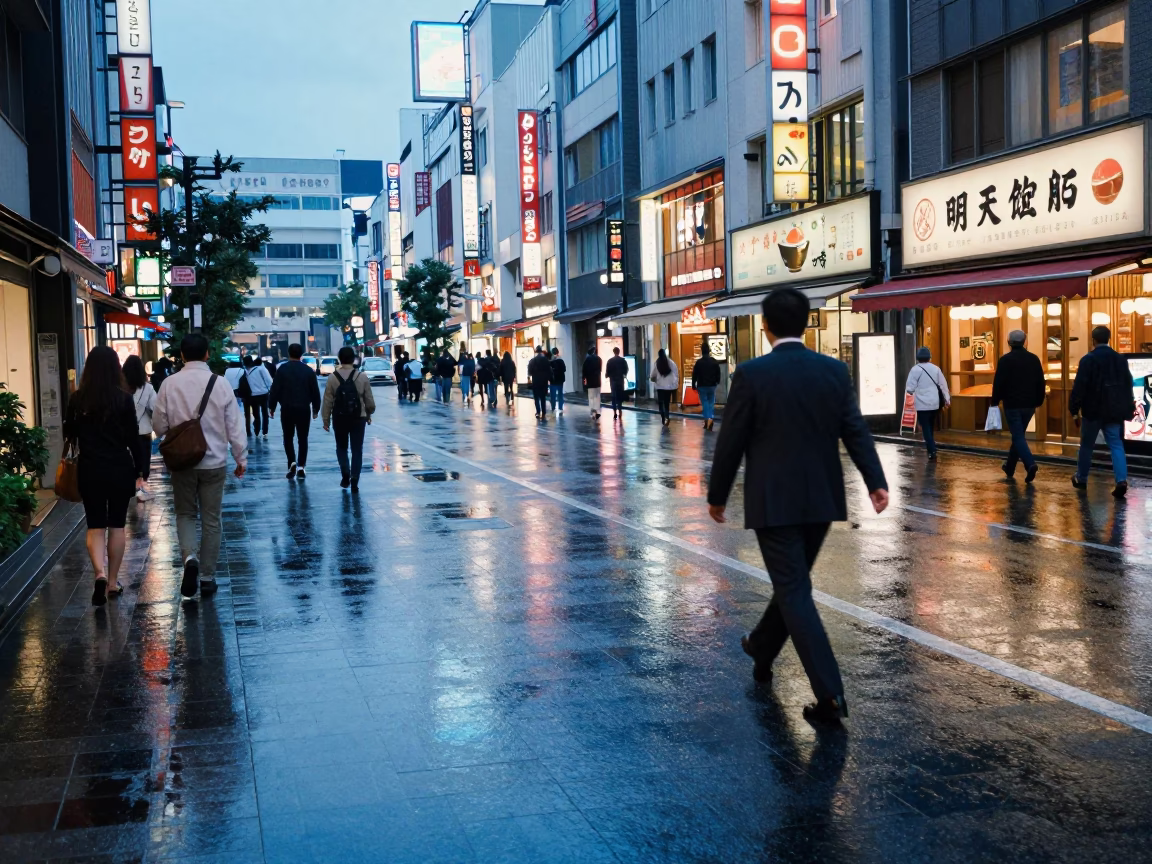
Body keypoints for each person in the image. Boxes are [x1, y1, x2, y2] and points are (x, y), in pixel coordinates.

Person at [708, 288, 888, 725]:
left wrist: (717, 495)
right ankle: (762, 646)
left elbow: (731, 440)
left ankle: (830, 695)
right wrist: (875, 482)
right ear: (806, 323)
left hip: (773, 501)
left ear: (765, 325)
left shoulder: (752, 374)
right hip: (822, 499)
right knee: (793, 585)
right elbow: (855, 430)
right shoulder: (833, 371)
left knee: (794, 589)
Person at [153, 333, 247, 599]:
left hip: (181, 461)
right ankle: (207, 576)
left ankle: (189, 559)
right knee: (211, 519)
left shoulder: (169, 384)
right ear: (207, 354)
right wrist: (241, 458)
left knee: (185, 514)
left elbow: (159, 425)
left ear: (181, 356)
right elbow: (235, 426)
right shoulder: (220, 384)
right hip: (214, 462)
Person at [63, 346, 140, 606]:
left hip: (89, 468)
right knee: (117, 524)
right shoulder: (124, 398)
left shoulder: (77, 399)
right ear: (115, 368)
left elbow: (69, 433)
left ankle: (99, 573)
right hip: (119, 467)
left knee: (95, 525)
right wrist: (140, 470)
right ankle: (112, 582)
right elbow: (133, 438)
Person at [1070, 325, 1133, 497]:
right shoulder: (1119, 359)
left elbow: (1079, 387)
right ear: (1109, 339)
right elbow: (1127, 384)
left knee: (1087, 446)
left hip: (1093, 410)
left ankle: (1081, 478)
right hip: (1114, 410)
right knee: (1116, 444)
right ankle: (1121, 480)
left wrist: (1074, 410)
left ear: (1094, 340)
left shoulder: (1088, 360)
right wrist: (1128, 408)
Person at [990, 329, 1046, 483]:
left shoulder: (1005, 360)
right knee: (1018, 435)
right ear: (1025, 342)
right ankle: (1010, 467)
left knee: (1018, 436)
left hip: (1012, 404)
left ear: (1009, 342)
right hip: (1029, 404)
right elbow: (1041, 382)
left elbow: (999, 383)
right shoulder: (1033, 359)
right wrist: (1039, 400)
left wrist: (995, 401)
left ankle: (1030, 464)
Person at [322, 346, 376, 493]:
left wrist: (326, 419)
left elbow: (327, 400)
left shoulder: (333, 377)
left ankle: (345, 473)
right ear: (353, 358)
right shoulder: (362, 376)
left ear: (340, 358)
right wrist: (369, 414)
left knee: (341, 447)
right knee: (357, 449)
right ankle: (355, 479)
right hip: (359, 418)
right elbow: (369, 400)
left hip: (339, 417)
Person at [268, 343, 322, 480]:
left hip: (286, 408)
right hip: (304, 408)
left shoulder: (282, 370)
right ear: (301, 354)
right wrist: (316, 408)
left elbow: (275, 389)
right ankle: (301, 466)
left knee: (288, 437)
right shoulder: (308, 371)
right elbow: (315, 391)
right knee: (303, 438)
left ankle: (291, 462)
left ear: (288, 353)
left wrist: (272, 406)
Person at [904, 347, 950, 461]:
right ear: (929, 357)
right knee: (930, 426)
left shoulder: (915, 370)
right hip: (935, 403)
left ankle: (932, 450)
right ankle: (932, 446)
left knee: (925, 428)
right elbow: (943, 385)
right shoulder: (936, 369)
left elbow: (909, 389)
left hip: (922, 404)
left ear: (918, 358)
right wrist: (947, 399)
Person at [122, 355, 157, 501]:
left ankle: (128, 486)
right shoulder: (148, 388)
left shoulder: (120, 388)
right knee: (142, 461)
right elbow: (154, 408)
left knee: (126, 460)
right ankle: (141, 489)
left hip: (122, 432)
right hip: (142, 431)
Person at [241, 355, 273, 438]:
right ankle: (265, 431)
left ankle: (257, 431)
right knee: (265, 413)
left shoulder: (244, 371)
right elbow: (269, 380)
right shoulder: (261, 369)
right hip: (264, 393)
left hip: (253, 395)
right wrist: (270, 390)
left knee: (256, 414)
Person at [691, 343, 721, 431]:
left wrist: (693, 384)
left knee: (705, 403)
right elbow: (718, 372)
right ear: (709, 351)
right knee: (711, 402)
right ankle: (710, 419)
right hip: (712, 385)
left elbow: (695, 374)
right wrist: (717, 381)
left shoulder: (699, 362)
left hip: (702, 385)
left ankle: (707, 420)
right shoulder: (714, 361)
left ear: (701, 351)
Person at [651, 349, 679, 427]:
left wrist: (652, 378)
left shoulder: (657, 363)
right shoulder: (671, 363)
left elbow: (653, 375)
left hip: (660, 386)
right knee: (666, 403)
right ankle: (667, 417)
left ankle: (663, 418)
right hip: (669, 387)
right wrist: (675, 384)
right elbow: (676, 374)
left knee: (661, 403)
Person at [528, 345, 552, 419]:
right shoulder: (545, 360)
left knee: (536, 397)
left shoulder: (533, 360)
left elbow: (530, 371)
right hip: (543, 381)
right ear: (541, 351)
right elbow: (549, 370)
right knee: (543, 397)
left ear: (536, 351)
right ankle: (544, 412)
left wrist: (529, 378)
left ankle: (538, 412)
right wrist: (550, 379)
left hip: (536, 381)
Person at [605, 347, 629, 420]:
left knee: (614, 396)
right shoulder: (623, 361)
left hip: (613, 381)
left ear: (613, 352)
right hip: (620, 380)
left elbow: (607, 372)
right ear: (619, 352)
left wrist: (607, 375)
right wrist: (623, 374)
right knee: (619, 396)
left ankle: (614, 412)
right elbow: (626, 369)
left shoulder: (610, 361)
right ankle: (620, 411)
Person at [582, 346, 603, 420]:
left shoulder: (587, 360)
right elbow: (600, 370)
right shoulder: (599, 359)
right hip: (597, 381)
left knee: (591, 397)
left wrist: (584, 380)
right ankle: (597, 410)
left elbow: (584, 371)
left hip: (590, 381)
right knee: (597, 396)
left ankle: (592, 411)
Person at [550, 347, 567, 414]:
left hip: (553, 380)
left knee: (553, 395)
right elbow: (564, 369)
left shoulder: (551, 361)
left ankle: (553, 407)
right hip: (560, 380)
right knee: (560, 394)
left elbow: (549, 371)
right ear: (558, 352)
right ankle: (560, 408)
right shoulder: (561, 360)